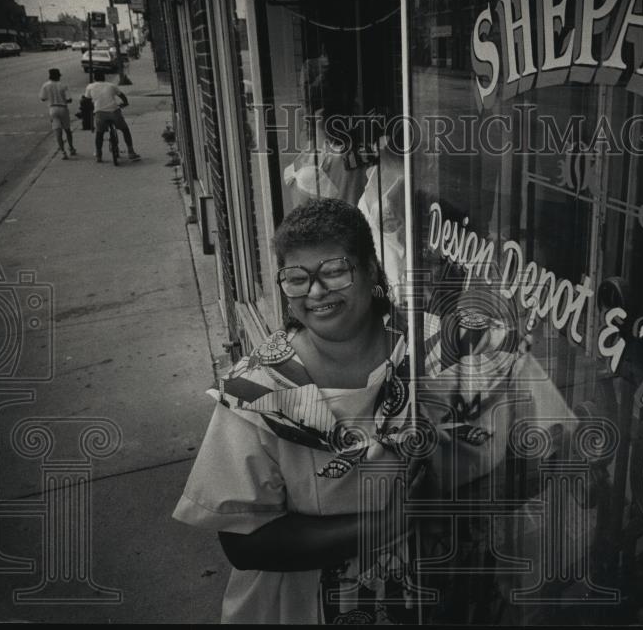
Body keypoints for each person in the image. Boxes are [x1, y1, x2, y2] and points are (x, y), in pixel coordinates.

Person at [173, 198, 424, 624]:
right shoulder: (258, 391)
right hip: (300, 609)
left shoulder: (426, 355)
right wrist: (383, 526)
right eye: (296, 278)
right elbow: (243, 542)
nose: (316, 292)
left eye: (334, 271)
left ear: (371, 268)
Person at [83, 71, 139, 162]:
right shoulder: (111, 85)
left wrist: (92, 108)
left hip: (100, 113)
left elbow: (86, 100)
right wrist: (125, 103)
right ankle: (131, 152)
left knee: (99, 134)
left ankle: (99, 155)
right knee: (125, 129)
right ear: (104, 77)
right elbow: (122, 95)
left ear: (95, 78)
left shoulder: (90, 87)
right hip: (114, 111)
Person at [38, 68, 75, 159]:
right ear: (58, 76)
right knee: (67, 130)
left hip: (52, 109)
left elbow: (42, 98)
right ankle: (71, 147)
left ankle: (63, 152)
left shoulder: (45, 85)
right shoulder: (63, 85)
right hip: (63, 108)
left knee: (58, 132)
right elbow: (69, 99)